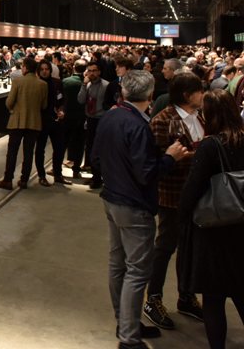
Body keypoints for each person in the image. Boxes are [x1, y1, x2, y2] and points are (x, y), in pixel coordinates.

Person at [92, 70, 190, 349]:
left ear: (123, 91)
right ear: (150, 95)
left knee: (118, 265)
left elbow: (95, 158)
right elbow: (147, 173)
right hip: (133, 206)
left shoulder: (110, 116)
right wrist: (170, 158)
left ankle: (126, 323)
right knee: (136, 271)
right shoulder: (138, 126)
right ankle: (129, 338)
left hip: (111, 199)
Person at [178, 90, 244, 349]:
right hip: (241, 228)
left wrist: (183, 217)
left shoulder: (211, 146)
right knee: (240, 290)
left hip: (214, 228)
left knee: (214, 298)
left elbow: (192, 189)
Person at [144, 72, 205, 330]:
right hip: (172, 196)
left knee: (189, 248)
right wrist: (190, 156)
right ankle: (153, 298)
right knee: (165, 247)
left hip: (198, 196)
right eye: (199, 91)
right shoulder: (163, 121)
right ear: (187, 95)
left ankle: (186, 296)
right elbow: (156, 162)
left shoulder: (200, 116)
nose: (203, 95)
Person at [0, 56, 47, 190]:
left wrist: (13, 109)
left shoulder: (18, 81)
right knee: (28, 153)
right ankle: (24, 180)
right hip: (34, 122)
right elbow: (44, 105)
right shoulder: (43, 84)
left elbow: (9, 102)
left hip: (17, 121)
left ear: (25, 68)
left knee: (12, 152)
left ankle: (8, 180)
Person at [35, 60, 69, 186]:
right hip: (41, 121)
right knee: (40, 150)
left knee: (59, 148)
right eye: (42, 69)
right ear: (38, 71)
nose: (44, 71)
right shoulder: (37, 84)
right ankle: (41, 176)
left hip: (56, 121)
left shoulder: (57, 82)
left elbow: (63, 100)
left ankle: (58, 174)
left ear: (50, 70)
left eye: (47, 69)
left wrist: (62, 110)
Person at [78, 62, 110, 188]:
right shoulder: (87, 84)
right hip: (90, 119)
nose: (91, 73)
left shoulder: (106, 85)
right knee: (91, 148)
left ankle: (100, 177)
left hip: (102, 119)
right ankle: (95, 176)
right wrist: (84, 85)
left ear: (99, 72)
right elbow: (80, 100)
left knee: (100, 149)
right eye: (89, 70)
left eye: (94, 70)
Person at [62, 59, 87, 178]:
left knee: (63, 143)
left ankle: (57, 169)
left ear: (73, 67)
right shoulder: (86, 83)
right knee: (80, 144)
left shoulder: (66, 81)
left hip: (67, 115)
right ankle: (76, 169)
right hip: (82, 116)